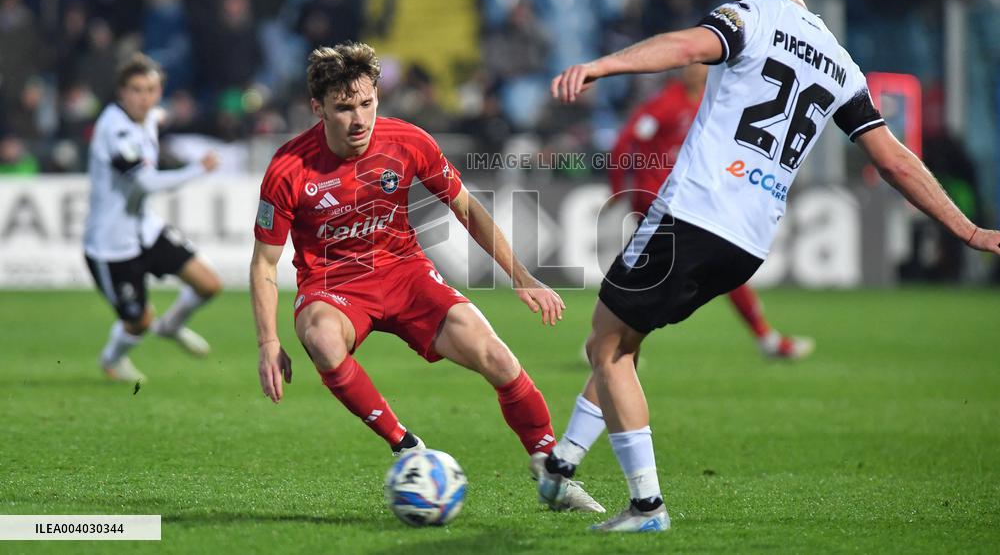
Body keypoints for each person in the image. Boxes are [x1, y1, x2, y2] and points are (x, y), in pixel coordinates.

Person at [537, 0, 1000, 532]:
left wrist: (602, 65)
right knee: (625, 340)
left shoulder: (747, 19)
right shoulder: (840, 62)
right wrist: (968, 229)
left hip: (695, 210)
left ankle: (646, 506)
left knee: (607, 345)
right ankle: (562, 465)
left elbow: (685, 47)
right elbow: (893, 161)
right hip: (749, 241)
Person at [249, 42, 602, 512]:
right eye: (344, 108)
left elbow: (467, 208)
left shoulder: (408, 141)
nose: (359, 119)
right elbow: (264, 263)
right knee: (321, 338)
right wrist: (268, 342)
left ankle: (551, 470)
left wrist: (522, 275)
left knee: (496, 356)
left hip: (405, 272)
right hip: (333, 285)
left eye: (367, 103)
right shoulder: (288, 168)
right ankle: (406, 447)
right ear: (318, 108)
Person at [609, 63, 813, 359]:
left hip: (692, 200)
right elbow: (624, 143)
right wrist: (618, 187)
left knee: (691, 270)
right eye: (690, 63)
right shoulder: (667, 103)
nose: (694, 69)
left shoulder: (715, 99)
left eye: (702, 63)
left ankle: (609, 339)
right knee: (674, 271)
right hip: (659, 202)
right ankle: (609, 340)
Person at [83, 53, 222, 384]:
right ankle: (111, 360)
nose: (143, 98)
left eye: (150, 90)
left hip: (146, 229)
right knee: (139, 321)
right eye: (136, 90)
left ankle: (170, 326)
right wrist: (197, 169)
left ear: (159, 91)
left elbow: (159, 114)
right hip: (111, 244)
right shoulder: (115, 130)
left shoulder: (148, 116)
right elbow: (145, 182)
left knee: (209, 285)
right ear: (121, 92)